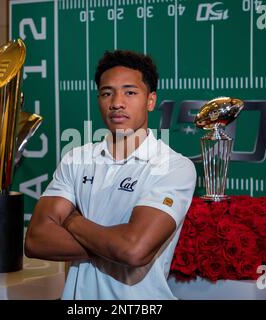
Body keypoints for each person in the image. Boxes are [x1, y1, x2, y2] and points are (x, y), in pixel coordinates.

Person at [25, 50, 196, 299]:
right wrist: (115, 242)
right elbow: (35, 240)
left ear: (150, 100)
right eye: (107, 93)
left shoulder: (172, 166)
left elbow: (134, 250)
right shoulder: (76, 158)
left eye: (130, 92)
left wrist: (72, 221)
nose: (117, 102)